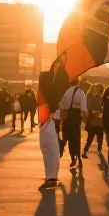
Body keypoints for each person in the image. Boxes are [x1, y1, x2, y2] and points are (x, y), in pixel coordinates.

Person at [37, 57, 69, 190]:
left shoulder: (56, 82)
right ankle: (51, 176)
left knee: (50, 149)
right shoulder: (59, 82)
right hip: (48, 118)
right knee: (49, 149)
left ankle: (51, 177)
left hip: (49, 118)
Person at [60, 78, 88, 175]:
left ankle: (72, 158)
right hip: (76, 118)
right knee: (76, 139)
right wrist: (85, 120)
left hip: (67, 118)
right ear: (78, 83)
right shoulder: (81, 93)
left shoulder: (66, 92)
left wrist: (62, 120)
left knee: (68, 138)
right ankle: (79, 158)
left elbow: (62, 106)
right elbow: (84, 109)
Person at [83, 84, 105, 157]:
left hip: (99, 121)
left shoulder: (103, 98)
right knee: (90, 138)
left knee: (99, 138)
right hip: (94, 121)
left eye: (99, 89)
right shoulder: (92, 97)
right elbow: (88, 108)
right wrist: (94, 112)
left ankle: (98, 150)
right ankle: (85, 151)